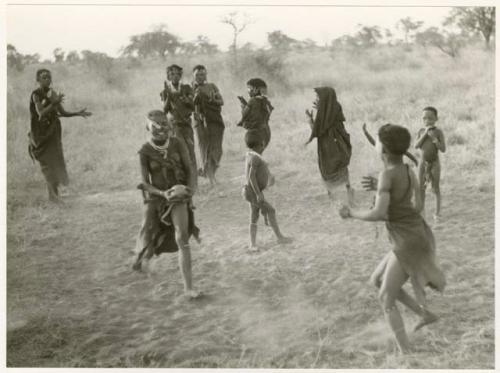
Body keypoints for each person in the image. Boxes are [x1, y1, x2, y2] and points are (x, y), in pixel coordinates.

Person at [339, 124, 446, 354]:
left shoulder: (387, 174)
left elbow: (378, 214)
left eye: (377, 142)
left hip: (406, 241)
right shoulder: (406, 169)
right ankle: (426, 314)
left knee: (385, 299)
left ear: (383, 149)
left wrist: (352, 213)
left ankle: (406, 354)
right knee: (377, 280)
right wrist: (385, 192)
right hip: (415, 235)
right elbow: (417, 206)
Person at [132, 110, 201, 299]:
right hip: (156, 197)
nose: (162, 128)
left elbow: (190, 169)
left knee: (182, 237)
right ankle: (142, 258)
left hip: (178, 198)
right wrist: (163, 193)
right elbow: (144, 183)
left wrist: (189, 191)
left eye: (164, 123)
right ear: (148, 127)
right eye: (156, 125)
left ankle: (188, 288)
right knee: (148, 235)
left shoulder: (178, 143)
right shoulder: (145, 151)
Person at [28, 68, 92, 201]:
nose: (47, 79)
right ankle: (53, 196)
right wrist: (54, 103)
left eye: (49, 77)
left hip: (53, 132)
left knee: (55, 161)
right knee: (47, 163)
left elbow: (62, 113)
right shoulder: (36, 94)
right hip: (41, 134)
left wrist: (78, 113)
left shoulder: (53, 94)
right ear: (38, 80)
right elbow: (41, 113)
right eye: (44, 77)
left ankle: (55, 195)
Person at [242, 130, 292, 251]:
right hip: (253, 192)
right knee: (271, 210)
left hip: (249, 191)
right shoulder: (255, 158)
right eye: (262, 144)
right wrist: (258, 194)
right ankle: (279, 237)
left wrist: (268, 178)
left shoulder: (251, 155)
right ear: (257, 145)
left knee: (254, 216)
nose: (263, 147)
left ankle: (252, 244)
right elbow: (251, 177)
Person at [305, 87, 353, 204]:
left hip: (332, 144)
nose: (316, 99)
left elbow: (318, 130)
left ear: (325, 98)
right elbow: (319, 129)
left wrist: (312, 119)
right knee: (334, 165)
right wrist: (313, 118)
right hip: (331, 144)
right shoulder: (331, 107)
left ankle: (337, 194)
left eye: (318, 97)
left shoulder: (330, 110)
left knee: (332, 165)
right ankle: (345, 192)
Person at [160, 64, 197, 189]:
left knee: (191, 151)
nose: (175, 76)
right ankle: (183, 182)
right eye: (172, 74)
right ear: (168, 76)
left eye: (177, 74)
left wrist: (186, 99)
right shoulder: (165, 91)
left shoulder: (186, 88)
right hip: (175, 125)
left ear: (181, 75)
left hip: (186, 124)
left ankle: (193, 182)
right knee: (180, 153)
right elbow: (164, 110)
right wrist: (169, 96)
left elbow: (193, 106)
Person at [192, 65, 225, 186]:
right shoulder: (189, 88)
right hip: (200, 122)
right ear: (193, 76)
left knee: (217, 150)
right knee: (205, 149)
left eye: (202, 74)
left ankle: (207, 172)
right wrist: (194, 99)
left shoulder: (212, 86)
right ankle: (211, 178)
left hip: (215, 120)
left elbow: (221, 101)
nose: (200, 77)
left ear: (206, 75)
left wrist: (212, 100)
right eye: (197, 75)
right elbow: (190, 107)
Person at [414, 107, 446, 221]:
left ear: (436, 119)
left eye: (430, 118)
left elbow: (443, 149)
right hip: (423, 163)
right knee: (421, 188)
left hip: (434, 163)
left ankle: (437, 213)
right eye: (424, 118)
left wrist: (434, 139)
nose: (427, 121)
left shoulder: (438, 132)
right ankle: (421, 212)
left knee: (435, 188)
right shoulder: (421, 131)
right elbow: (416, 146)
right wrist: (425, 134)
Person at [237, 78, 273, 151]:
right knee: (258, 153)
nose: (248, 92)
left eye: (249, 89)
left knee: (253, 155)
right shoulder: (266, 101)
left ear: (256, 90)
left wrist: (243, 105)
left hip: (254, 133)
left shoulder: (252, 101)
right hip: (266, 132)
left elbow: (245, 114)